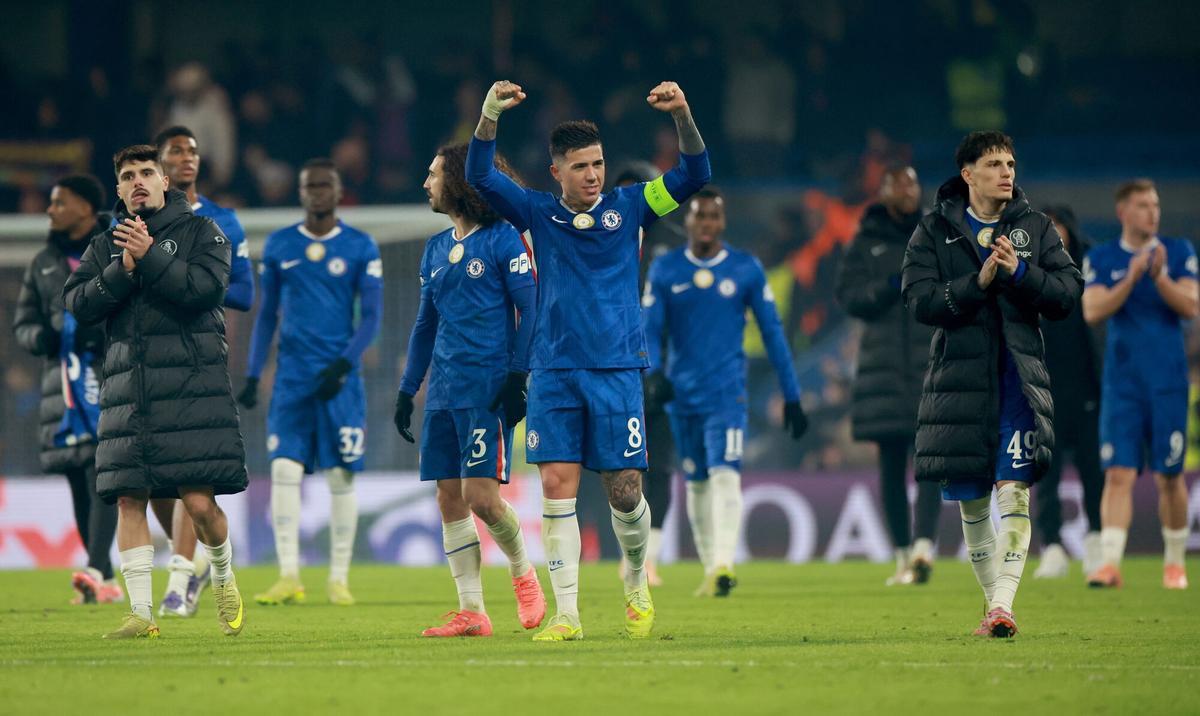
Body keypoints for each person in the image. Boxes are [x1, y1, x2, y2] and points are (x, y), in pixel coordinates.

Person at [466, 79, 710, 641]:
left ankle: (635, 580)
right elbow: (479, 177)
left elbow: (695, 175)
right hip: (553, 371)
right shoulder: (535, 211)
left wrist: (683, 115)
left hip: (617, 369)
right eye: (580, 166)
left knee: (625, 490)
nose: (594, 174)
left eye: (597, 163)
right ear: (557, 172)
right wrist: (488, 117)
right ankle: (567, 615)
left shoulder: (633, 205)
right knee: (556, 484)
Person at [901, 131, 1082, 638]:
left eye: (1011, 163)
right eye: (995, 164)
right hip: (958, 383)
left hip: (1017, 378)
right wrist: (974, 285)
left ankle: (1003, 606)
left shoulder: (1036, 226)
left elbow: (1068, 293)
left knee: (1015, 493)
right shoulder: (934, 231)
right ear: (968, 174)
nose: (1007, 172)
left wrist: (1020, 273)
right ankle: (993, 606)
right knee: (974, 502)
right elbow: (918, 301)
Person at [63, 144, 248, 639]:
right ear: (120, 190)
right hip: (129, 390)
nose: (138, 180)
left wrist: (146, 259)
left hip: (193, 388)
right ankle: (142, 615)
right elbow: (78, 303)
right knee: (129, 498)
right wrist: (121, 270)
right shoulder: (105, 246)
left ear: (166, 182)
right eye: (128, 175)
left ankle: (223, 575)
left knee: (200, 504)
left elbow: (206, 291)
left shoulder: (203, 231)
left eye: (148, 172)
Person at [394, 143, 546, 637]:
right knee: (448, 499)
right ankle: (472, 611)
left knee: (481, 498)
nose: (426, 183)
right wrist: (406, 389)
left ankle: (524, 572)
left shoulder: (504, 239)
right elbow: (424, 326)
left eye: (433, 174)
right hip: (443, 391)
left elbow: (532, 310)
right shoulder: (436, 248)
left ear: (457, 182)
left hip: (487, 389)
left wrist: (519, 376)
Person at [642, 187, 806, 597]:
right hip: (681, 397)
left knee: (725, 475)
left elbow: (773, 333)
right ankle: (710, 567)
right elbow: (648, 329)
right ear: (689, 222)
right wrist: (654, 373)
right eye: (699, 216)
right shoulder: (666, 269)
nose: (707, 224)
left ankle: (722, 564)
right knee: (695, 482)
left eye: (714, 217)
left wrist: (792, 394)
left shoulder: (745, 269)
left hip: (726, 395)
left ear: (723, 222)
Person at [238, 158, 383, 607]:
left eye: (325, 185)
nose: (317, 192)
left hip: (341, 379)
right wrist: (251, 371)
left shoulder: (361, 246)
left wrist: (344, 364)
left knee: (340, 475)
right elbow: (266, 316)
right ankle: (288, 576)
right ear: (300, 193)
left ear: (339, 193)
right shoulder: (281, 245)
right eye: (309, 185)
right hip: (293, 378)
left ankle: (338, 578)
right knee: (283, 469)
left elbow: (373, 317)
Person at [147, 124, 255, 617]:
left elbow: (246, 294)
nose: (187, 157)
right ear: (158, 162)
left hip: (203, 353)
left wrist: (187, 283)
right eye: (176, 150)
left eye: (192, 150)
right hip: (148, 357)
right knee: (152, 481)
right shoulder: (134, 216)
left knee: (192, 475)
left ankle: (179, 581)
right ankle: (195, 564)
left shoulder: (224, 220)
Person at [1081, 179, 1197, 590]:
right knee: (1118, 473)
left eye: (1156, 204)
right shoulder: (1103, 257)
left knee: (1170, 476)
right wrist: (1130, 279)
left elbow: (1192, 305)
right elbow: (1092, 309)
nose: (1153, 212)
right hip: (1122, 384)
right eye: (1144, 205)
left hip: (1167, 382)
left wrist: (1160, 277)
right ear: (1123, 213)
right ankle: (1110, 565)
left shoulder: (1179, 251)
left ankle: (1174, 564)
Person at [14, 174, 120, 605]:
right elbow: (25, 322)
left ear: (85, 208)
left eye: (59, 202)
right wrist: (40, 339)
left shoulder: (115, 247)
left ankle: (94, 569)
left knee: (102, 474)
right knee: (78, 477)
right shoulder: (42, 262)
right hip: (62, 383)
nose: (50, 209)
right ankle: (105, 578)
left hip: (108, 375)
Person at [836, 166, 943, 586]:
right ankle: (902, 555)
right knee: (892, 468)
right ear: (882, 192)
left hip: (930, 367)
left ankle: (923, 548)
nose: (906, 191)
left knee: (932, 463)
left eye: (913, 184)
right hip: (882, 372)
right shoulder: (866, 242)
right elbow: (848, 297)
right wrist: (889, 286)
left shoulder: (936, 237)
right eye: (898, 184)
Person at [616, 161, 687, 586]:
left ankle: (649, 558)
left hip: (663, 378)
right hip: (614, 372)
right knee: (616, 468)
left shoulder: (677, 247)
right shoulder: (598, 241)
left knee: (659, 467)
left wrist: (672, 369)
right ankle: (623, 551)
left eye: (637, 193)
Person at [1033, 205, 1104, 579]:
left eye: (1058, 225)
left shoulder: (1091, 266)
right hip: (1045, 389)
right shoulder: (1028, 270)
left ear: (1070, 230)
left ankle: (1096, 543)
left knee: (1094, 471)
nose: (1054, 232)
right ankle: (1053, 548)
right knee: (1047, 473)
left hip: (1088, 385)